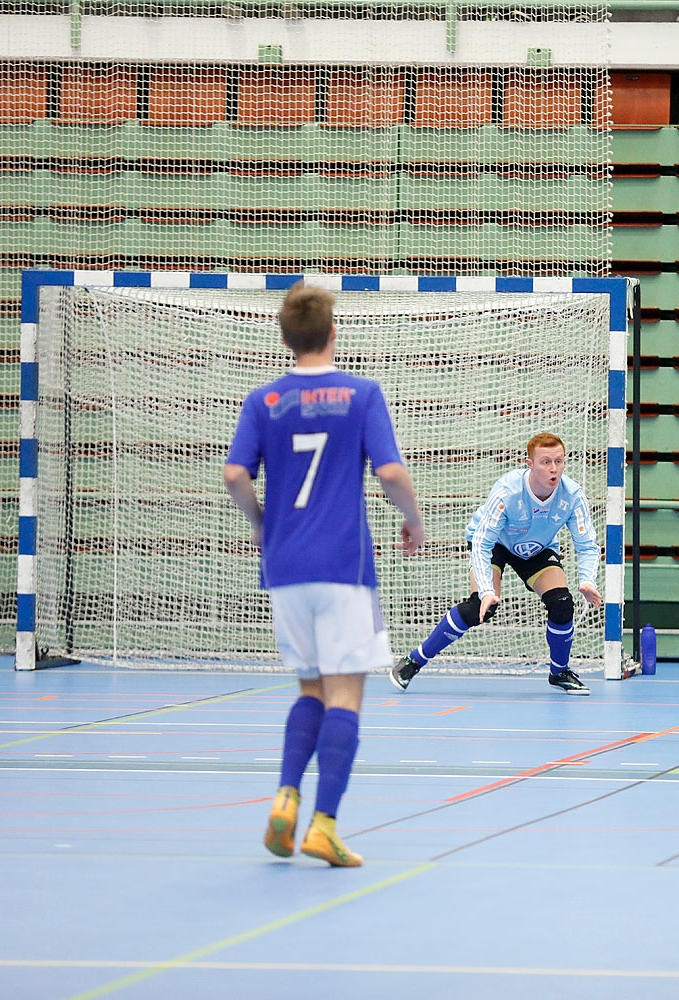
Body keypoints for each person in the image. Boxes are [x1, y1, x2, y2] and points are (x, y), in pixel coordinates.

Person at [225, 281, 424, 867]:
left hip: (285, 568)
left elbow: (236, 474)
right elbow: (389, 471)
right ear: (333, 333)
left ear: (285, 339)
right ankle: (323, 825)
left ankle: (285, 798)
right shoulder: (361, 394)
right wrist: (413, 520)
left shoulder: (263, 401)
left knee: (309, 688)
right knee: (346, 694)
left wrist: (262, 524)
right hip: (343, 565)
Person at [390, 432, 602, 695]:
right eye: (545, 462)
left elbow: (587, 544)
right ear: (529, 463)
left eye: (559, 461)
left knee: (562, 603)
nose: (554, 469)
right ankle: (413, 661)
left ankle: (559, 672)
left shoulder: (572, 495)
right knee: (480, 606)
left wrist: (586, 580)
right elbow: (481, 543)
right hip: (496, 545)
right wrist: (487, 591)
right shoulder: (508, 491)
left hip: (537, 547)